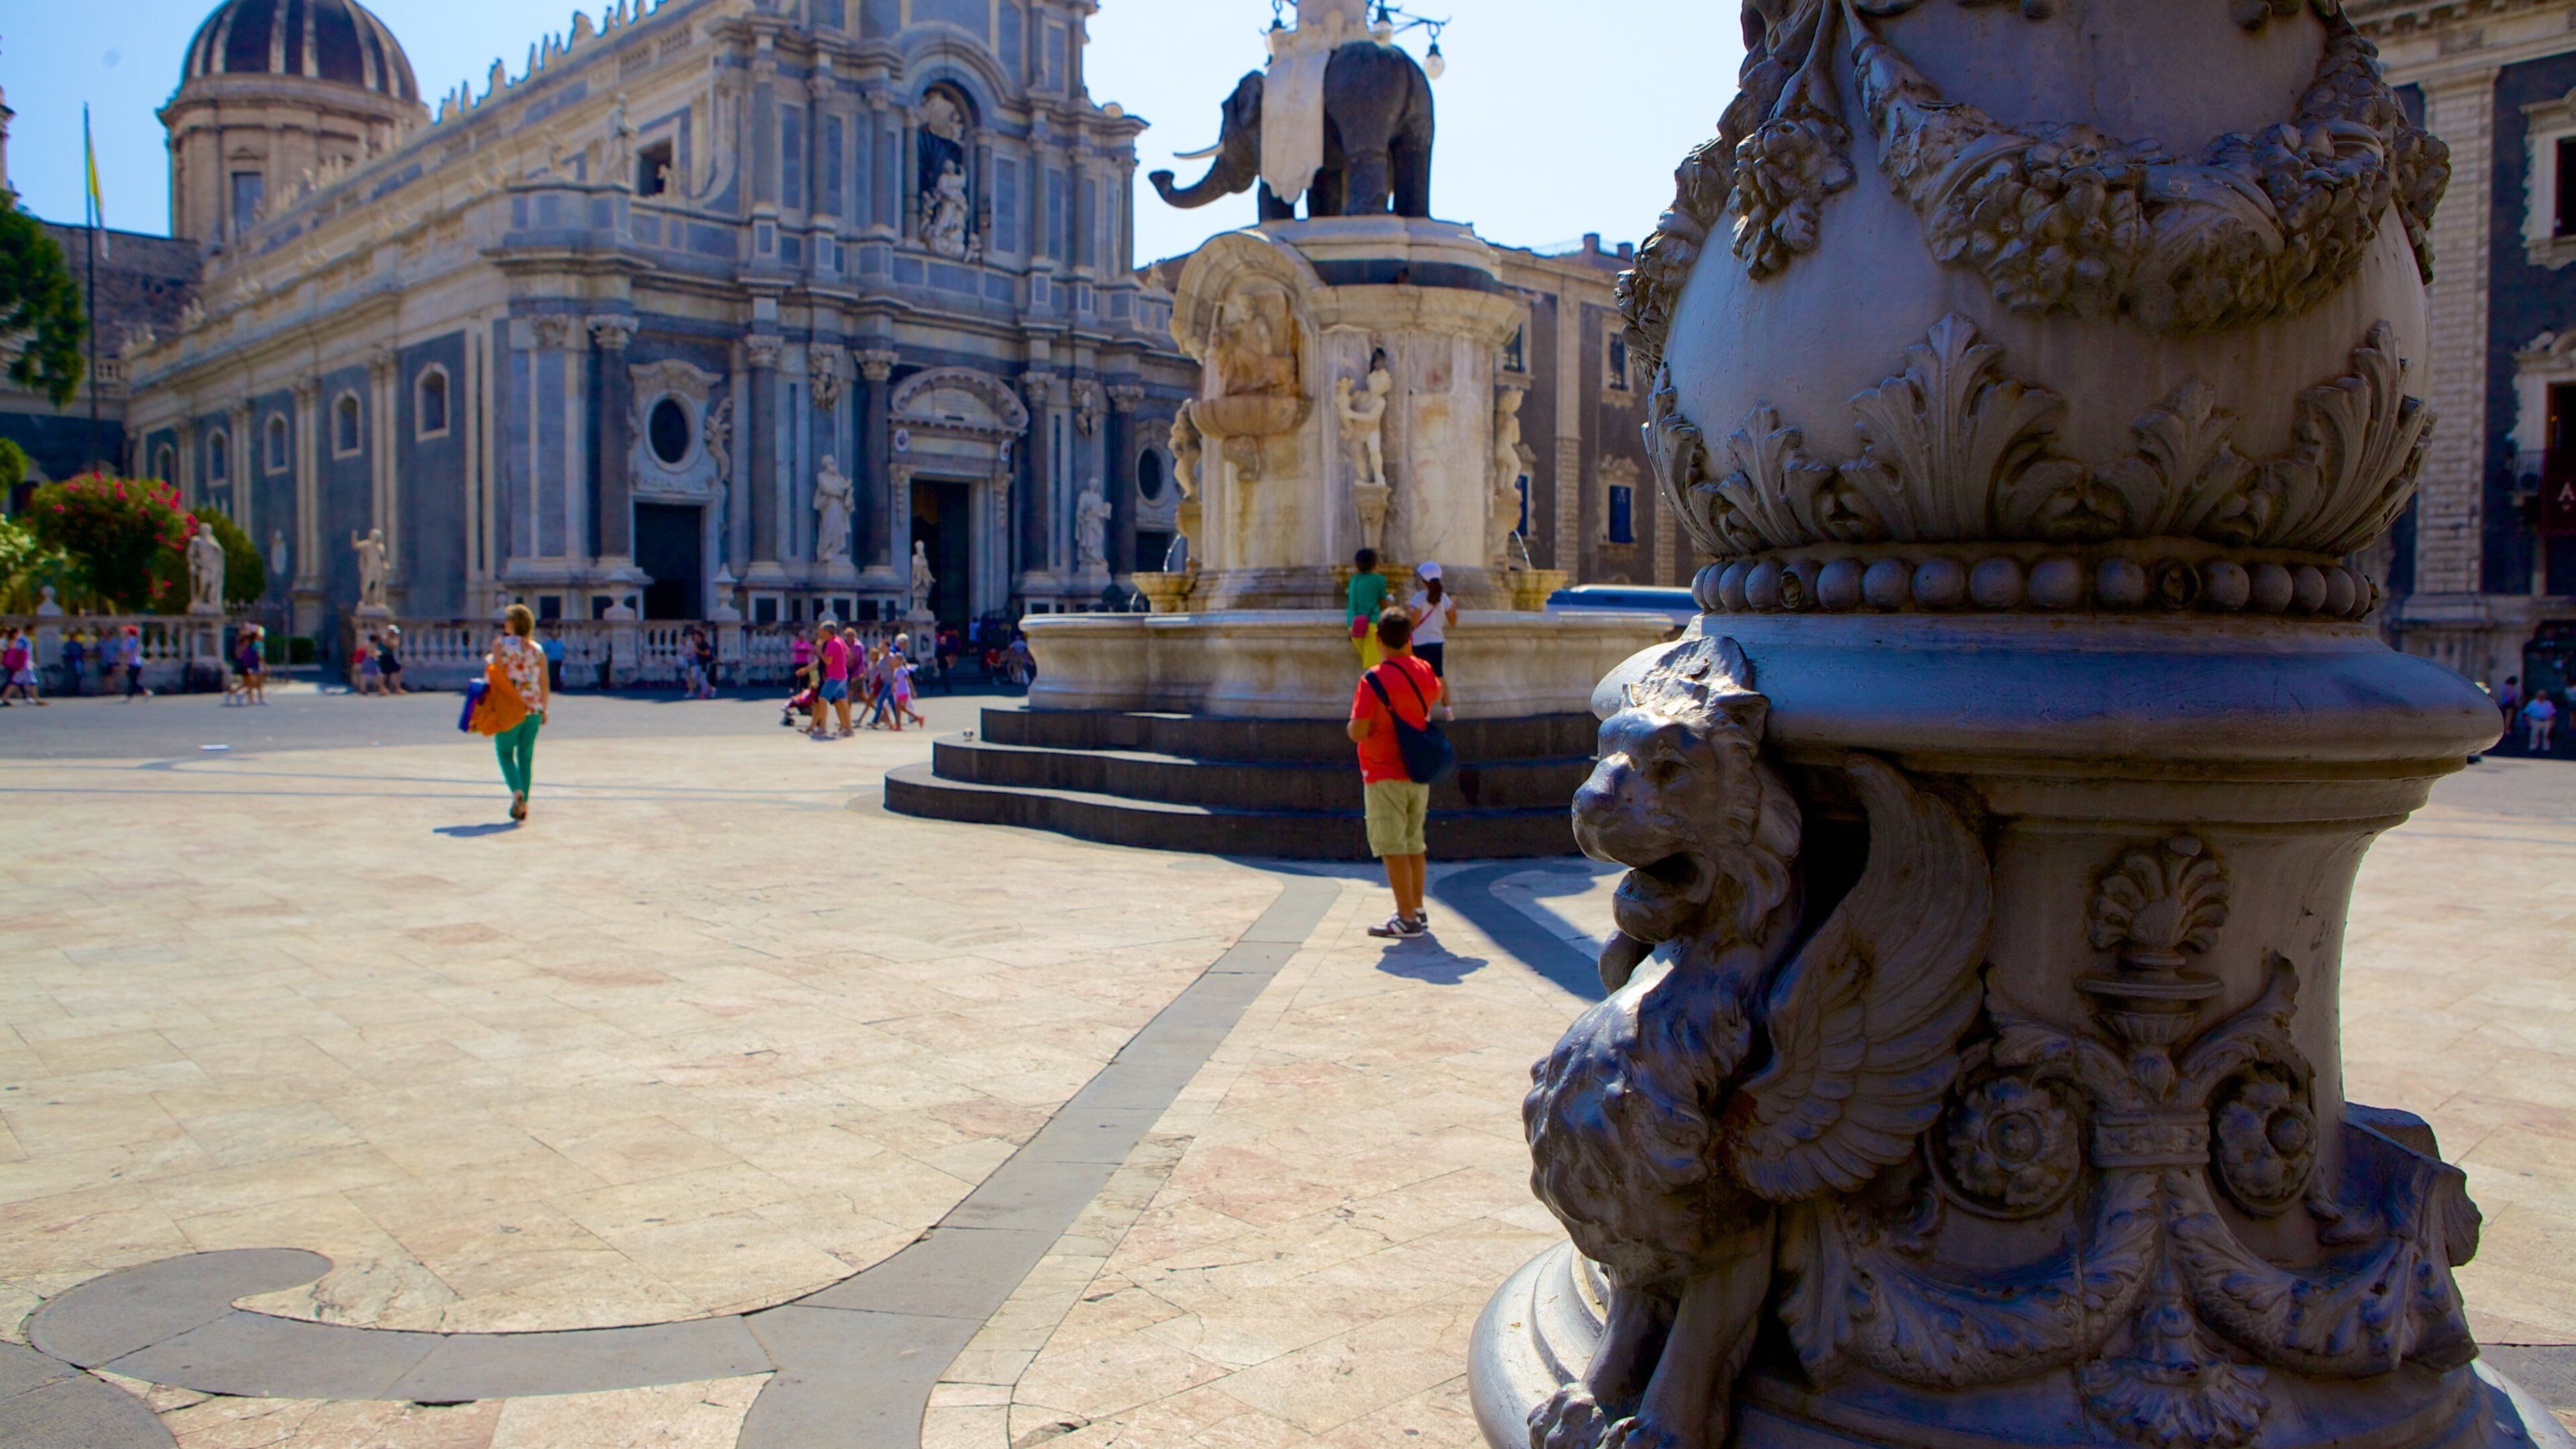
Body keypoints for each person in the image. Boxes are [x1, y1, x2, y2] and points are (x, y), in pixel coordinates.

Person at [1348, 607, 1442, 938]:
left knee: (1392, 846)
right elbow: (1435, 695)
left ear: (1378, 638)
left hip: (1383, 770)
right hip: (1418, 771)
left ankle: (1406, 918)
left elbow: (1358, 731)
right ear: (1410, 638)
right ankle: (1416, 908)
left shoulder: (1372, 679)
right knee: (1415, 842)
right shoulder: (1425, 670)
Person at [484, 604, 551, 821]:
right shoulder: (537, 649)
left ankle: (516, 791)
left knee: (504, 753)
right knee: (526, 756)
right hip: (533, 707)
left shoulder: (500, 645)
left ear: (512, 623)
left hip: (509, 706)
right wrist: (544, 708)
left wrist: (489, 663)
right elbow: (544, 683)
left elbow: (499, 675)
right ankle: (525, 804)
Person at [1405, 561, 1459, 698]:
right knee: (1439, 675)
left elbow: (1414, 621)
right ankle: (1447, 709)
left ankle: (1425, 710)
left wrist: (1407, 609)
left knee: (1420, 676)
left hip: (1419, 642)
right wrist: (1454, 603)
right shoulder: (1444, 598)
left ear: (1423, 581)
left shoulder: (1419, 598)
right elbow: (1453, 621)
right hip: (1437, 641)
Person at [1347, 548, 1389, 670]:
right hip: (1372, 625)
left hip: (1354, 625)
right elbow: (1383, 603)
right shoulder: (1380, 579)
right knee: (1375, 668)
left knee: (1370, 664)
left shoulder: (1354, 580)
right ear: (1375, 563)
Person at [812, 621, 853, 738]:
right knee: (842, 701)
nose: (819, 633)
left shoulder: (832, 643)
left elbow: (828, 661)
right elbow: (848, 652)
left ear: (826, 631)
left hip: (835, 676)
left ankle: (823, 727)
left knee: (822, 699)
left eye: (820, 630)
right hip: (842, 675)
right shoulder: (838, 640)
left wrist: (819, 650)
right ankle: (848, 728)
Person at [0, 629, 44, 706]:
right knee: (32, 682)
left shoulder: (19, 640)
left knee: (14, 682)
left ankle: (5, 698)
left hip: (23, 664)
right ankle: (36, 699)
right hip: (25, 665)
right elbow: (22, 653)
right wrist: (20, 665)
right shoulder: (23, 640)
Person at [237, 625, 268, 706]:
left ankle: (251, 699)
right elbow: (260, 655)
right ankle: (260, 698)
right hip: (257, 665)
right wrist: (264, 664)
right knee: (259, 683)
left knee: (251, 683)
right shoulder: (258, 644)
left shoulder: (250, 645)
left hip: (250, 665)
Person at [2525, 690, 2558, 754]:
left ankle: (2546, 748)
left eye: (2543, 695)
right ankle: (2533, 747)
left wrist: (2553, 723)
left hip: (2546, 721)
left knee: (2546, 735)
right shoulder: (2532, 703)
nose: (2541, 696)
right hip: (2535, 721)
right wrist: (2528, 722)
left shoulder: (2549, 703)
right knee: (2534, 734)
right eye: (2540, 695)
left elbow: (2553, 714)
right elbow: (2526, 713)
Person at [377, 626, 407, 696]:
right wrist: (395, 640)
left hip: (389, 656)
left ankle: (397, 688)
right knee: (383, 673)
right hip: (384, 656)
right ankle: (382, 689)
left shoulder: (391, 638)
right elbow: (392, 645)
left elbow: (394, 646)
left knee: (397, 670)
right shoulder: (384, 637)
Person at [60, 629, 86, 698]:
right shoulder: (73, 644)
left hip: (73, 662)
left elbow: (64, 654)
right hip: (74, 662)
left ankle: (74, 690)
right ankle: (74, 690)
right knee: (75, 677)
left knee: (74, 677)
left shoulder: (68, 644)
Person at [539, 627, 566, 693]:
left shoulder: (560, 642)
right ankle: (552, 687)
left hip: (559, 660)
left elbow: (562, 651)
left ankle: (557, 686)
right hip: (552, 660)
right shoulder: (549, 642)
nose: (555, 636)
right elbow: (545, 650)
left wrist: (563, 659)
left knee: (558, 674)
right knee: (552, 674)